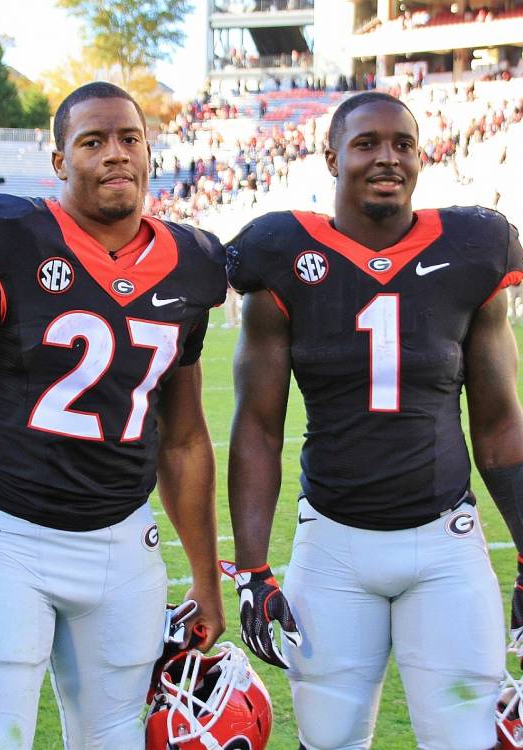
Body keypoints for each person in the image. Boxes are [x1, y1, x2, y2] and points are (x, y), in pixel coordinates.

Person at [0, 81, 226, 750]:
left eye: (129, 138)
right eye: (93, 141)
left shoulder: (190, 266)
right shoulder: (6, 239)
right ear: (59, 162)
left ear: (149, 153)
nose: (115, 153)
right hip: (7, 540)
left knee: (114, 739)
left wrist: (206, 576)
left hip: (125, 547)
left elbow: (182, 440)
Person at [225, 91, 523, 750]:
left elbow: (500, 425)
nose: (387, 158)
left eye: (402, 144)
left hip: (445, 542)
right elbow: (258, 428)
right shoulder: (282, 252)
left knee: (465, 738)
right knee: (327, 740)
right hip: (331, 545)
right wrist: (251, 568)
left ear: (421, 157)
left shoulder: (474, 247)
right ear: (331, 157)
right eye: (366, 144)